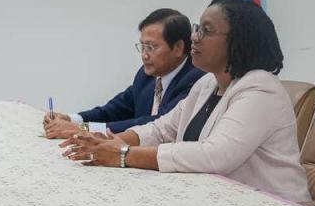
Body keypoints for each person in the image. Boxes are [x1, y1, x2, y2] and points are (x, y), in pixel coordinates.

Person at [61, 0, 311, 203]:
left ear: (238, 40)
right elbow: (162, 129)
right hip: (220, 203)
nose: (195, 37)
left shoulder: (260, 90)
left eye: (206, 30)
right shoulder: (208, 83)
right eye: (197, 28)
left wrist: (124, 154)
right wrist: (108, 142)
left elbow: (215, 155)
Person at [43, 8, 204, 139]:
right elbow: (115, 109)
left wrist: (83, 129)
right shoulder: (147, 74)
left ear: (178, 48)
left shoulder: (195, 80)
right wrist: (72, 119)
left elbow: (155, 124)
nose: (144, 55)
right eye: (142, 46)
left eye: (151, 47)